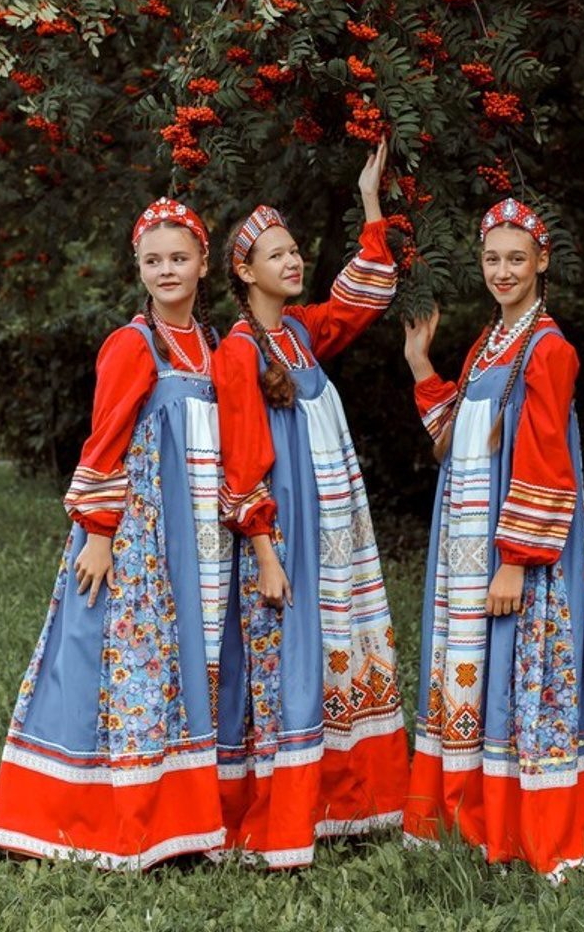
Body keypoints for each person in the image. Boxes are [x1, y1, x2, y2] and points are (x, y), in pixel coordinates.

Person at [400, 197, 584, 878]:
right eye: (491, 259)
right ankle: (477, 816)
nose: (503, 271)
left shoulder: (549, 348)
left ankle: (527, 822)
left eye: (516, 258)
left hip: (519, 551)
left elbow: (545, 459)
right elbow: (459, 441)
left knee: (519, 669)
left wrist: (514, 563)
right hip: (467, 545)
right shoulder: (488, 342)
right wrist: (422, 363)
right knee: (476, 668)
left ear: (542, 261)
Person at [0, 198, 232, 869]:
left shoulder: (212, 345)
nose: (166, 270)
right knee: (116, 654)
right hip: (137, 531)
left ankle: (181, 818)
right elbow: (106, 440)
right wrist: (98, 532)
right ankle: (83, 811)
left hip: (197, 533)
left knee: (185, 657)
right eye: (153, 261)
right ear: (139, 268)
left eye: (179, 258)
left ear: (204, 264)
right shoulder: (134, 344)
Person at [212, 143, 409, 868]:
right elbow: (241, 461)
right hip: (284, 536)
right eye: (277, 255)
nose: (293, 263)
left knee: (335, 650)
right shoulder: (238, 351)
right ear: (244, 271)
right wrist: (264, 553)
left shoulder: (298, 333)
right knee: (287, 664)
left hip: (331, 530)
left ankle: (344, 807)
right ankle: (278, 822)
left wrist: (369, 203)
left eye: (295, 251)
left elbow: (364, 297)